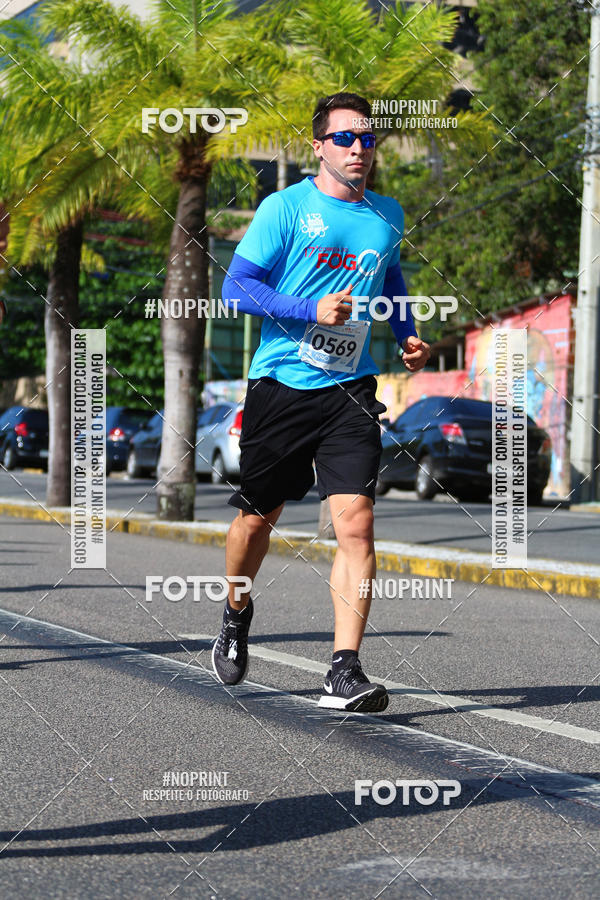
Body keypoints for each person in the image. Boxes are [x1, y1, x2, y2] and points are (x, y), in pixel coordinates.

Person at [212, 92, 431, 712]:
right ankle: (236, 608)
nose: (358, 149)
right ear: (319, 146)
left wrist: (404, 331)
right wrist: (308, 309)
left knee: (357, 522)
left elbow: (390, 279)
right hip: (281, 383)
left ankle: (344, 667)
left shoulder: (387, 215)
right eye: (344, 138)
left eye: (366, 139)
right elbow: (237, 288)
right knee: (258, 518)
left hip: (351, 386)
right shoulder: (285, 208)